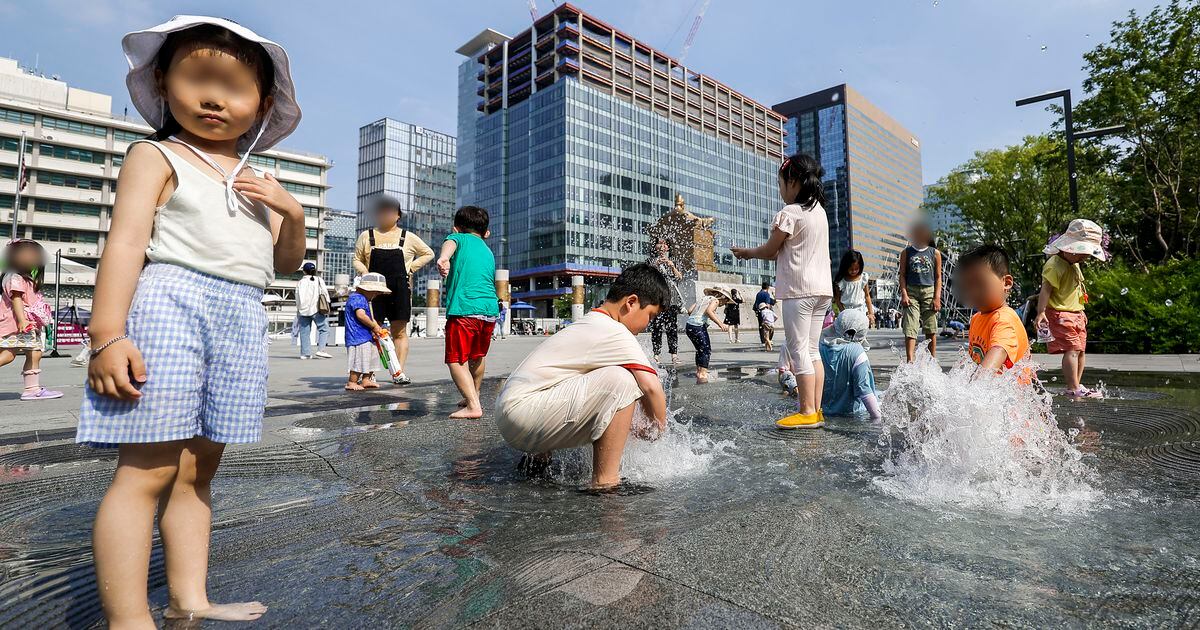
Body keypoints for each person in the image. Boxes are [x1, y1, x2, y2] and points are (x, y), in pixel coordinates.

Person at [77, 16, 305, 626]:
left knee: (199, 471)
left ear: (261, 106)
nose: (213, 98)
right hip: (171, 303)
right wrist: (108, 335)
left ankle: (190, 597)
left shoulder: (258, 182)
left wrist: (291, 209)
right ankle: (128, 618)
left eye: (233, 88)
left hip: (240, 314)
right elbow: (125, 245)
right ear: (163, 81)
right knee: (145, 471)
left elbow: (285, 263)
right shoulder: (157, 154)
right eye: (197, 79)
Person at [494, 263, 669, 488]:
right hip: (522, 415)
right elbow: (651, 387)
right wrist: (658, 430)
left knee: (588, 377)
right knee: (623, 381)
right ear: (631, 302)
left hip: (512, 413)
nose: (647, 325)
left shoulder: (590, 322)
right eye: (650, 316)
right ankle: (606, 481)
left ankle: (537, 463)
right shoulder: (615, 331)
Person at [732, 153, 833, 430]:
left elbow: (770, 250)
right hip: (822, 290)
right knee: (813, 350)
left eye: (781, 185)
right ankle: (817, 409)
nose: (780, 191)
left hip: (798, 290)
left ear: (794, 182)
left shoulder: (790, 214)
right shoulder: (820, 213)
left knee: (798, 349)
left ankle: (806, 411)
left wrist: (746, 253)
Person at [352, 195, 434, 384]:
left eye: (390, 211)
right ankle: (369, 374)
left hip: (400, 289)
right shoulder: (367, 236)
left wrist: (410, 268)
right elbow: (356, 258)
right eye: (381, 211)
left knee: (399, 332)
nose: (385, 214)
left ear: (398, 215)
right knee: (373, 330)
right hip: (373, 290)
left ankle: (398, 373)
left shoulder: (408, 237)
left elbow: (428, 253)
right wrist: (365, 272)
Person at [436, 206, 499, 420]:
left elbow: (450, 244)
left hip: (464, 309)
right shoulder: (487, 250)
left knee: (456, 359)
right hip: (489, 311)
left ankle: (473, 405)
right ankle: (475, 394)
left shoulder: (458, 238)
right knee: (477, 356)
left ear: (456, 228)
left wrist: (444, 258)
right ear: (486, 233)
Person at [1034, 219, 1107, 399]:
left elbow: (1076, 288)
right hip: (1060, 313)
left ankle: (1075, 385)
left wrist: (1081, 310)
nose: (1084, 257)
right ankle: (1073, 386)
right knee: (1072, 349)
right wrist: (1041, 312)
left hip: (1076, 313)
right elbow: (1046, 289)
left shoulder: (1074, 264)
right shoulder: (1054, 264)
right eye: (1081, 252)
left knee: (1080, 350)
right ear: (1068, 247)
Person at [0, 240, 62, 400]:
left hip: (23, 324)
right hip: (19, 324)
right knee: (9, 355)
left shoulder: (20, 277)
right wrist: (22, 320)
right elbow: (17, 299)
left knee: (33, 352)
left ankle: (32, 389)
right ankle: (32, 389)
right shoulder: (16, 278)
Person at [957, 245, 1030, 374]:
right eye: (967, 286)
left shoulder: (1004, 320)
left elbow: (998, 351)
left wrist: (973, 386)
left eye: (980, 284)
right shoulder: (976, 318)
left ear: (1006, 283)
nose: (973, 292)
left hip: (1012, 394)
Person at [819, 309, 881, 421]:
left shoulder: (819, 347)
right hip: (850, 415)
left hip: (822, 412)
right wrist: (878, 419)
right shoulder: (857, 352)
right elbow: (865, 390)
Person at [899, 221, 943, 362]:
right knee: (910, 327)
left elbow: (938, 277)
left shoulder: (935, 253)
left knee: (931, 327)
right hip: (911, 291)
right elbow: (902, 275)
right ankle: (910, 360)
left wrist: (937, 297)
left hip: (929, 291)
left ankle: (931, 359)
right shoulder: (906, 252)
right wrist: (904, 294)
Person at [344, 273, 390, 391]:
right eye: (375, 292)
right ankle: (352, 381)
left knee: (371, 358)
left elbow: (370, 317)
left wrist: (377, 328)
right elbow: (361, 315)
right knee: (359, 360)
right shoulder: (357, 298)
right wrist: (374, 326)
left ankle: (366, 379)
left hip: (366, 335)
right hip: (357, 336)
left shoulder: (363, 299)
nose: (376, 295)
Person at [647, 236, 683, 365]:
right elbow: (647, 278)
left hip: (671, 300)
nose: (662, 246)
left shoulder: (674, 260)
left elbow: (680, 278)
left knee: (672, 328)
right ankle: (656, 355)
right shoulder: (650, 260)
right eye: (659, 243)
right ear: (655, 247)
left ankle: (674, 355)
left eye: (665, 244)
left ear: (668, 247)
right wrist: (655, 265)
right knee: (656, 328)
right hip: (656, 300)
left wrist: (672, 266)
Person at [686, 288, 730, 384]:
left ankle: (699, 371)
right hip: (698, 326)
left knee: (700, 349)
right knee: (706, 350)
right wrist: (721, 324)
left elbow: (689, 311)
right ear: (722, 296)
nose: (725, 303)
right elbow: (709, 311)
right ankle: (703, 374)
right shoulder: (715, 300)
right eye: (726, 300)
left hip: (689, 326)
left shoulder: (703, 299)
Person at [295, 261, 332, 359]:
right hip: (316, 309)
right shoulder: (319, 280)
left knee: (304, 332)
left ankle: (305, 354)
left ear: (304, 271)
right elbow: (325, 294)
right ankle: (321, 350)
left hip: (303, 311)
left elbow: (297, 298)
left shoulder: (300, 282)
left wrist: (299, 309)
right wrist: (327, 305)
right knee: (324, 329)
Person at [833, 249, 875, 326]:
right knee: (846, 334)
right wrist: (843, 312)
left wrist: (871, 313)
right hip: (846, 311)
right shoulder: (841, 281)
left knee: (860, 333)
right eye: (851, 269)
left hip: (860, 311)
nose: (854, 271)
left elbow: (867, 296)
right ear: (846, 267)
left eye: (856, 269)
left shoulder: (863, 278)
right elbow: (837, 299)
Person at [753, 281, 776, 347]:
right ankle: (768, 339)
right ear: (768, 287)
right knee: (769, 325)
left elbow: (756, 303)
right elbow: (768, 304)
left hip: (759, 311)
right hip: (766, 311)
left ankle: (763, 340)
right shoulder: (767, 294)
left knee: (761, 326)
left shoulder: (758, 293)